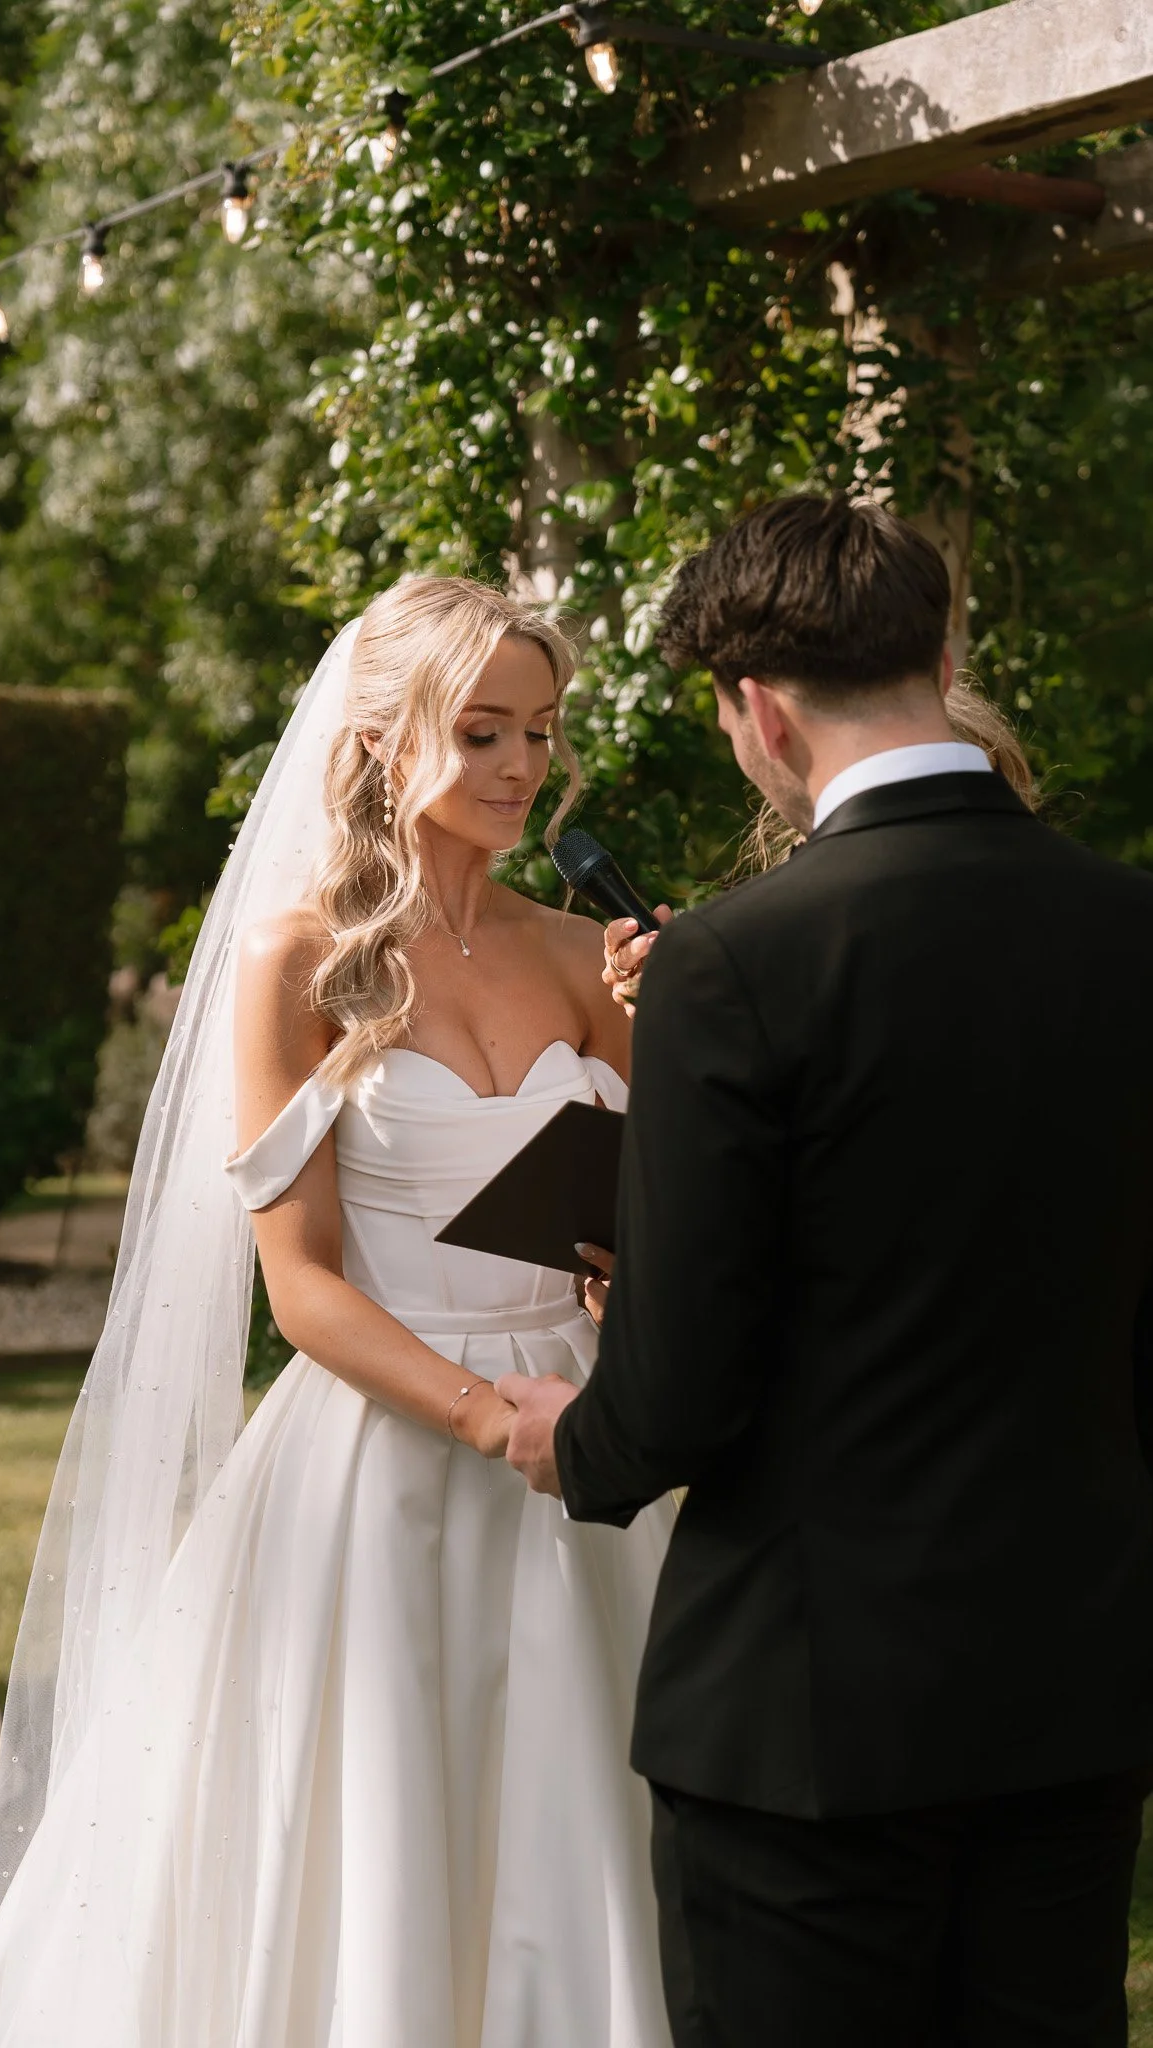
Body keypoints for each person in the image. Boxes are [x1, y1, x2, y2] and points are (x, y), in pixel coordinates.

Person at [0, 577, 673, 2047]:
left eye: (540, 731)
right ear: (385, 741)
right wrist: (482, 1413)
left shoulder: (591, 960)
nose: (523, 766)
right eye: (483, 731)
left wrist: (680, 1038)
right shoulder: (304, 960)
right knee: (385, 1814)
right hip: (387, 1456)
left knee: (581, 1804)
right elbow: (303, 1282)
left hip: (581, 1439)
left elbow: (642, 1225)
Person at [499, 494, 1153, 2047]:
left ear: (757, 714)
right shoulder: (1133, 930)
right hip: (1076, 1676)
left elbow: (681, 1383)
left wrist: (572, 1441)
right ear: (938, 651)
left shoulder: (736, 960)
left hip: (806, 1710)